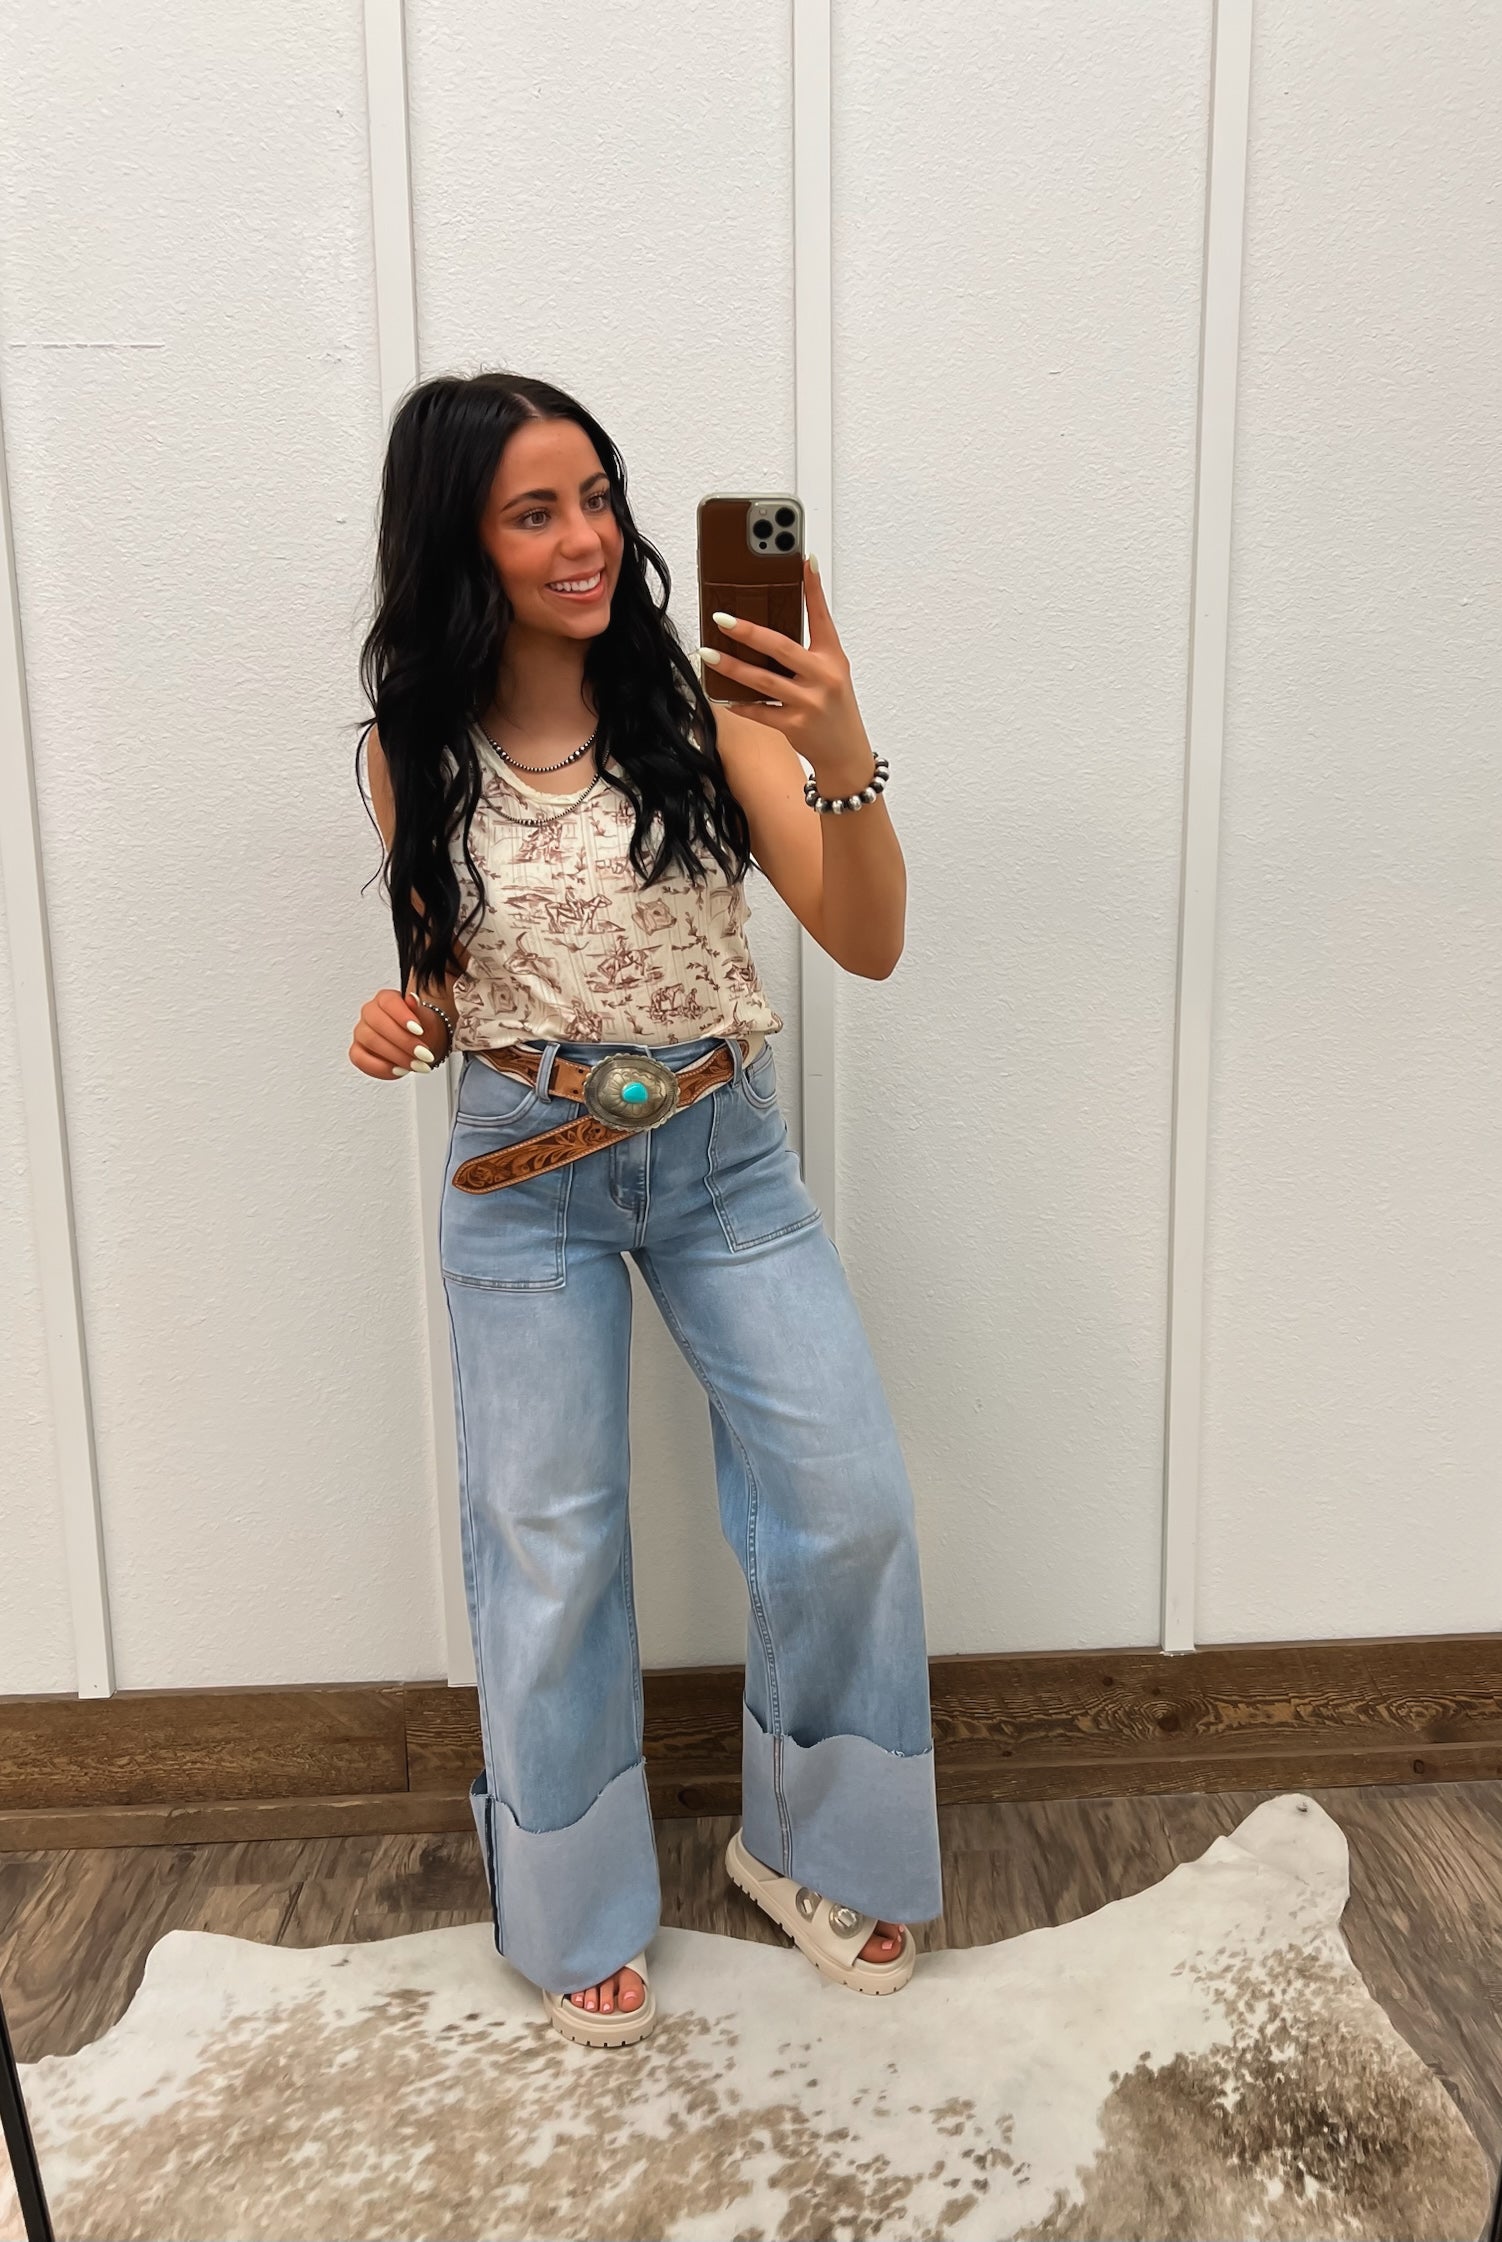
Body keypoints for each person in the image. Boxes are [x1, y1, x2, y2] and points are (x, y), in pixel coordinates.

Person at [349, 369, 942, 2047]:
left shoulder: (706, 711)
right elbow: (447, 979)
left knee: (846, 1499)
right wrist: (401, 1019)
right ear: (459, 540)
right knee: (549, 1545)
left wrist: (839, 750)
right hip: (522, 1175)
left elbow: (867, 941)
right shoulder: (412, 749)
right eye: (535, 511)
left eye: (597, 497)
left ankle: (814, 1846)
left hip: (720, 1154)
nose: (587, 538)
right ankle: (570, 1898)